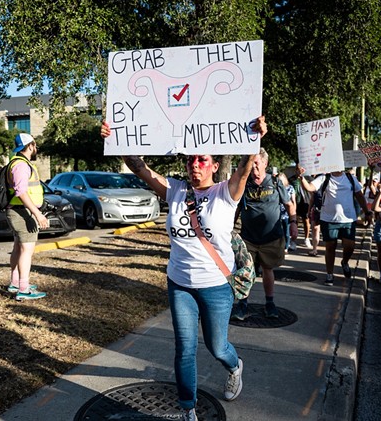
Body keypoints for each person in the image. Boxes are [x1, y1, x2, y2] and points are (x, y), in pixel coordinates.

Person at [101, 117, 267, 421]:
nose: (195, 164)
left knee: (217, 347)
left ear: (214, 166)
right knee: (184, 349)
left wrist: (254, 140)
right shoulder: (175, 191)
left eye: (202, 159)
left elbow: (245, 168)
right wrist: (117, 141)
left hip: (216, 285)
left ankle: (234, 367)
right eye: (191, 159)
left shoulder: (226, 194)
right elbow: (140, 168)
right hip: (180, 284)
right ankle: (187, 409)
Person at [233, 149, 298, 320]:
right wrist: (229, 227)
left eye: (256, 162)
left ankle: (270, 303)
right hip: (248, 237)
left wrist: (293, 224)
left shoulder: (275, 182)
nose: (253, 166)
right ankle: (242, 305)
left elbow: (289, 205)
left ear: (265, 164)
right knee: (245, 271)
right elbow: (237, 208)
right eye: (251, 162)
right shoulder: (244, 183)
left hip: (271, 237)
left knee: (268, 269)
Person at [297, 168, 373, 285]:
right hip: (328, 219)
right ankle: (329, 275)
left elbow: (360, 196)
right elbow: (309, 187)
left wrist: (367, 212)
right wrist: (301, 177)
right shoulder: (324, 177)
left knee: (350, 246)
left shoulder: (350, 178)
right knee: (330, 246)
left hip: (348, 219)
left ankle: (345, 262)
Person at [5, 133, 49, 301]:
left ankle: (15, 283)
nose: (36, 148)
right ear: (31, 146)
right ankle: (23, 289)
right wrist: (37, 214)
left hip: (19, 211)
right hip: (22, 212)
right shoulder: (21, 165)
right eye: (35, 145)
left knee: (18, 247)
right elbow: (21, 191)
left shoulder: (17, 163)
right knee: (27, 251)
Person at [289, 164, 313, 248]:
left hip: (305, 202)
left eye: (301, 169)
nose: (299, 171)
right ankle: (293, 240)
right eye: (298, 169)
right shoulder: (292, 179)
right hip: (295, 202)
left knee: (306, 221)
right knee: (295, 221)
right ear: (295, 170)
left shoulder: (308, 178)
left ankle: (306, 238)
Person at [278, 173, 297, 253]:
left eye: (281, 179)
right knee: (279, 232)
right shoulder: (277, 188)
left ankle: (286, 247)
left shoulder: (290, 188)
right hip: (278, 213)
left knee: (286, 232)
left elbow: (293, 202)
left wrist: (293, 213)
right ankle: (279, 247)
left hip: (287, 213)